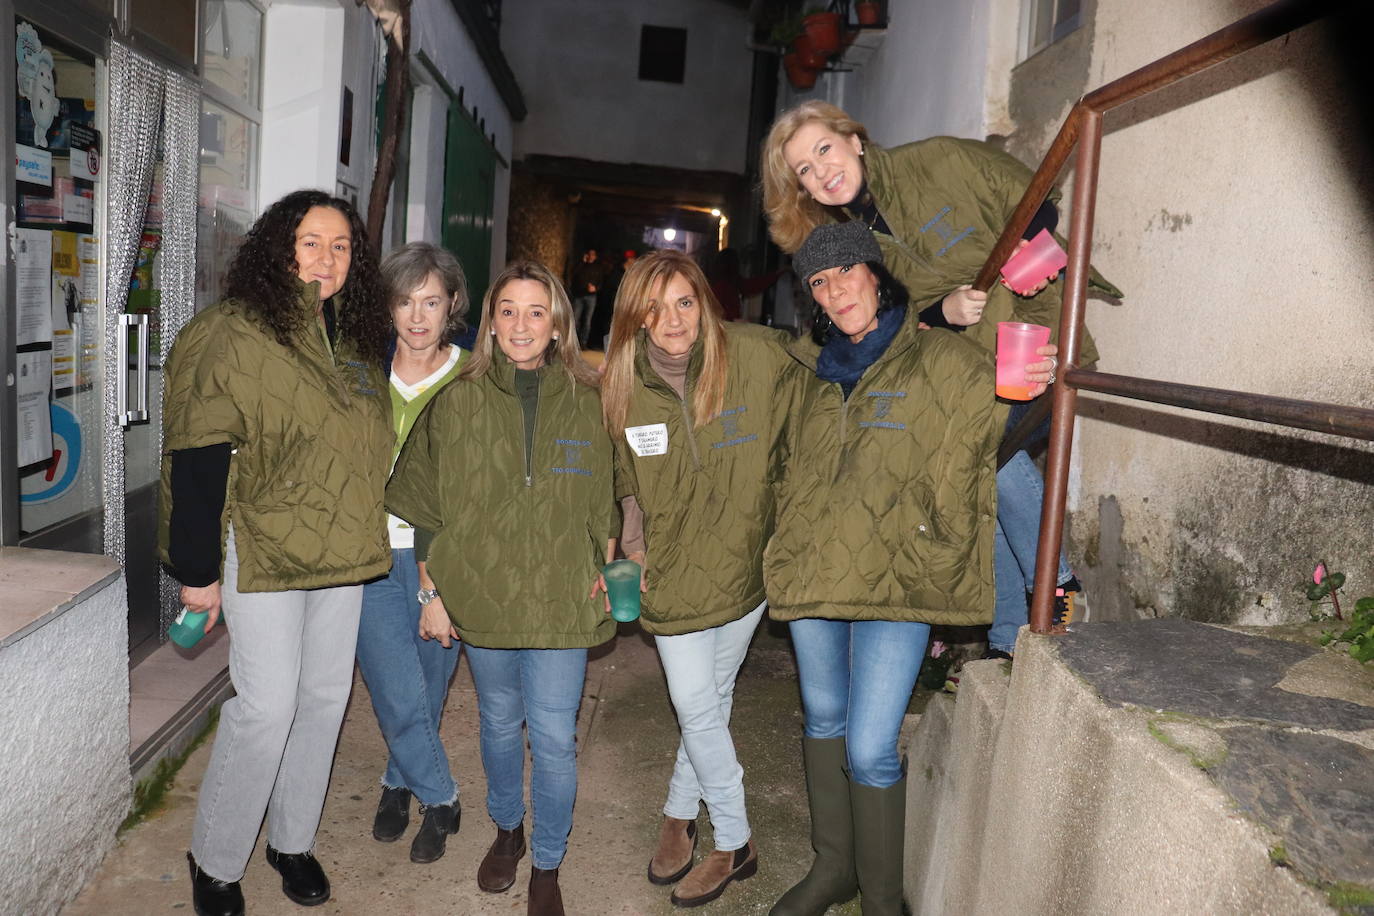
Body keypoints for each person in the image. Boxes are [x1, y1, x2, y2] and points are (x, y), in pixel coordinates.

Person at [763, 222, 1052, 916]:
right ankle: (834, 868)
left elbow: (993, 434)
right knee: (824, 719)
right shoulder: (809, 373)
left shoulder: (940, 360)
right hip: (813, 574)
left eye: (847, 273)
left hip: (897, 578)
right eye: (821, 283)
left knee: (869, 748)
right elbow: (783, 469)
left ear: (877, 274)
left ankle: (883, 898)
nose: (837, 291)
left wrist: (1028, 387)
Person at [762, 101, 1122, 659]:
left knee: (992, 457)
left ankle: (1057, 584)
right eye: (804, 170)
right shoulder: (856, 242)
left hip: (1034, 340)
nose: (821, 171)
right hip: (961, 372)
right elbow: (891, 319)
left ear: (854, 140)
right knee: (978, 471)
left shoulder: (938, 160)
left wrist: (1031, 246)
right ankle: (1007, 634)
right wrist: (941, 312)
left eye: (823, 149)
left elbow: (1032, 198)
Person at [159, 189, 393, 916]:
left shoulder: (353, 340)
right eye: (312, 242)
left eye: (342, 246)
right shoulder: (232, 332)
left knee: (324, 700)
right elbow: (197, 452)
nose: (327, 258)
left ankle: (290, 841)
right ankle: (217, 858)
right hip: (260, 546)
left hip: (343, 550)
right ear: (278, 248)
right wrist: (198, 574)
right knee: (267, 706)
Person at [385, 260, 614, 916]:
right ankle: (507, 830)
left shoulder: (592, 398)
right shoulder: (455, 400)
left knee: (553, 734)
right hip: (481, 594)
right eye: (508, 311)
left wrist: (612, 555)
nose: (521, 325)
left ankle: (548, 862)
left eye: (536, 312)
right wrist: (431, 595)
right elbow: (424, 505)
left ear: (558, 323)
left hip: (563, 597)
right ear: (490, 322)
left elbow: (619, 488)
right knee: (497, 722)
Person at [600, 250, 789, 907]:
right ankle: (736, 838)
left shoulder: (756, 357)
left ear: (705, 302)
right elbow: (622, 474)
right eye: (656, 307)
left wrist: (929, 321)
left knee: (707, 698)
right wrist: (630, 540)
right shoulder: (621, 380)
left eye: (685, 301)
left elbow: (829, 377)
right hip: (674, 569)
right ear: (636, 318)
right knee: (694, 698)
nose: (673, 319)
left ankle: (680, 813)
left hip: (742, 564)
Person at [354, 242, 469, 864]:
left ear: (452, 304)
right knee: (395, 689)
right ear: (389, 307)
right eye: (405, 301)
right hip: (369, 553)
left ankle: (397, 786)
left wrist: (444, 585)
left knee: (427, 689)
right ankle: (443, 796)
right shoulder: (362, 374)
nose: (418, 316)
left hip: (441, 558)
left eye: (431, 301)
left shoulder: (475, 378)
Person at [569, 248, 606, 346]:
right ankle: (574, 341)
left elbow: (601, 282)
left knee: (587, 321)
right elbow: (573, 274)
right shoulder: (581, 265)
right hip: (579, 296)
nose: (591, 256)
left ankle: (583, 342)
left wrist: (595, 288)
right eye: (589, 254)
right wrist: (582, 262)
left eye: (593, 254)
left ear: (595, 256)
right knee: (575, 319)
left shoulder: (598, 268)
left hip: (591, 297)